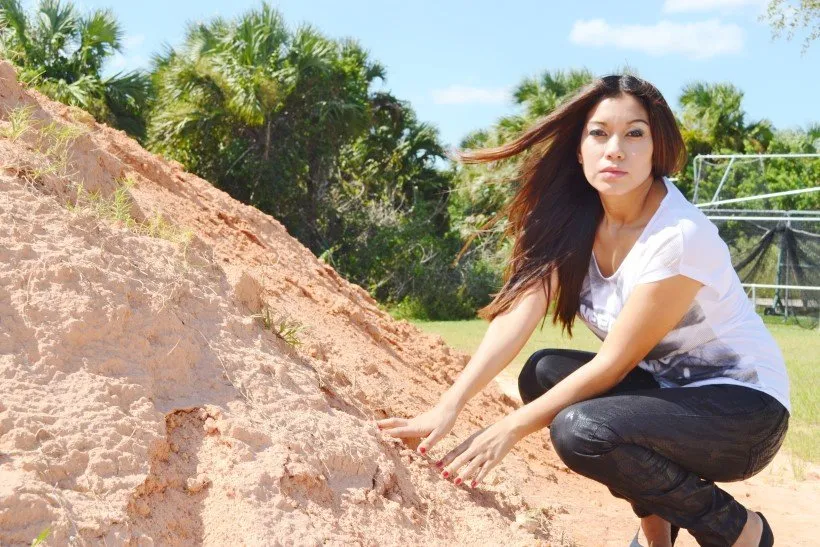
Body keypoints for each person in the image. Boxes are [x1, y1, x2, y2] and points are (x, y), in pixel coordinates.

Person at [375, 74, 790, 547]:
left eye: (634, 134)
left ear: (656, 148)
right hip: (667, 394)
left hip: (744, 412)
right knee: (543, 373)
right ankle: (657, 536)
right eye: (599, 133)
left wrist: (508, 429)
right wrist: (447, 407)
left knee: (582, 431)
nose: (615, 149)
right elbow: (518, 315)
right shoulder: (574, 223)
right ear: (579, 149)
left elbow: (614, 364)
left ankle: (738, 530)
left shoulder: (679, 236)